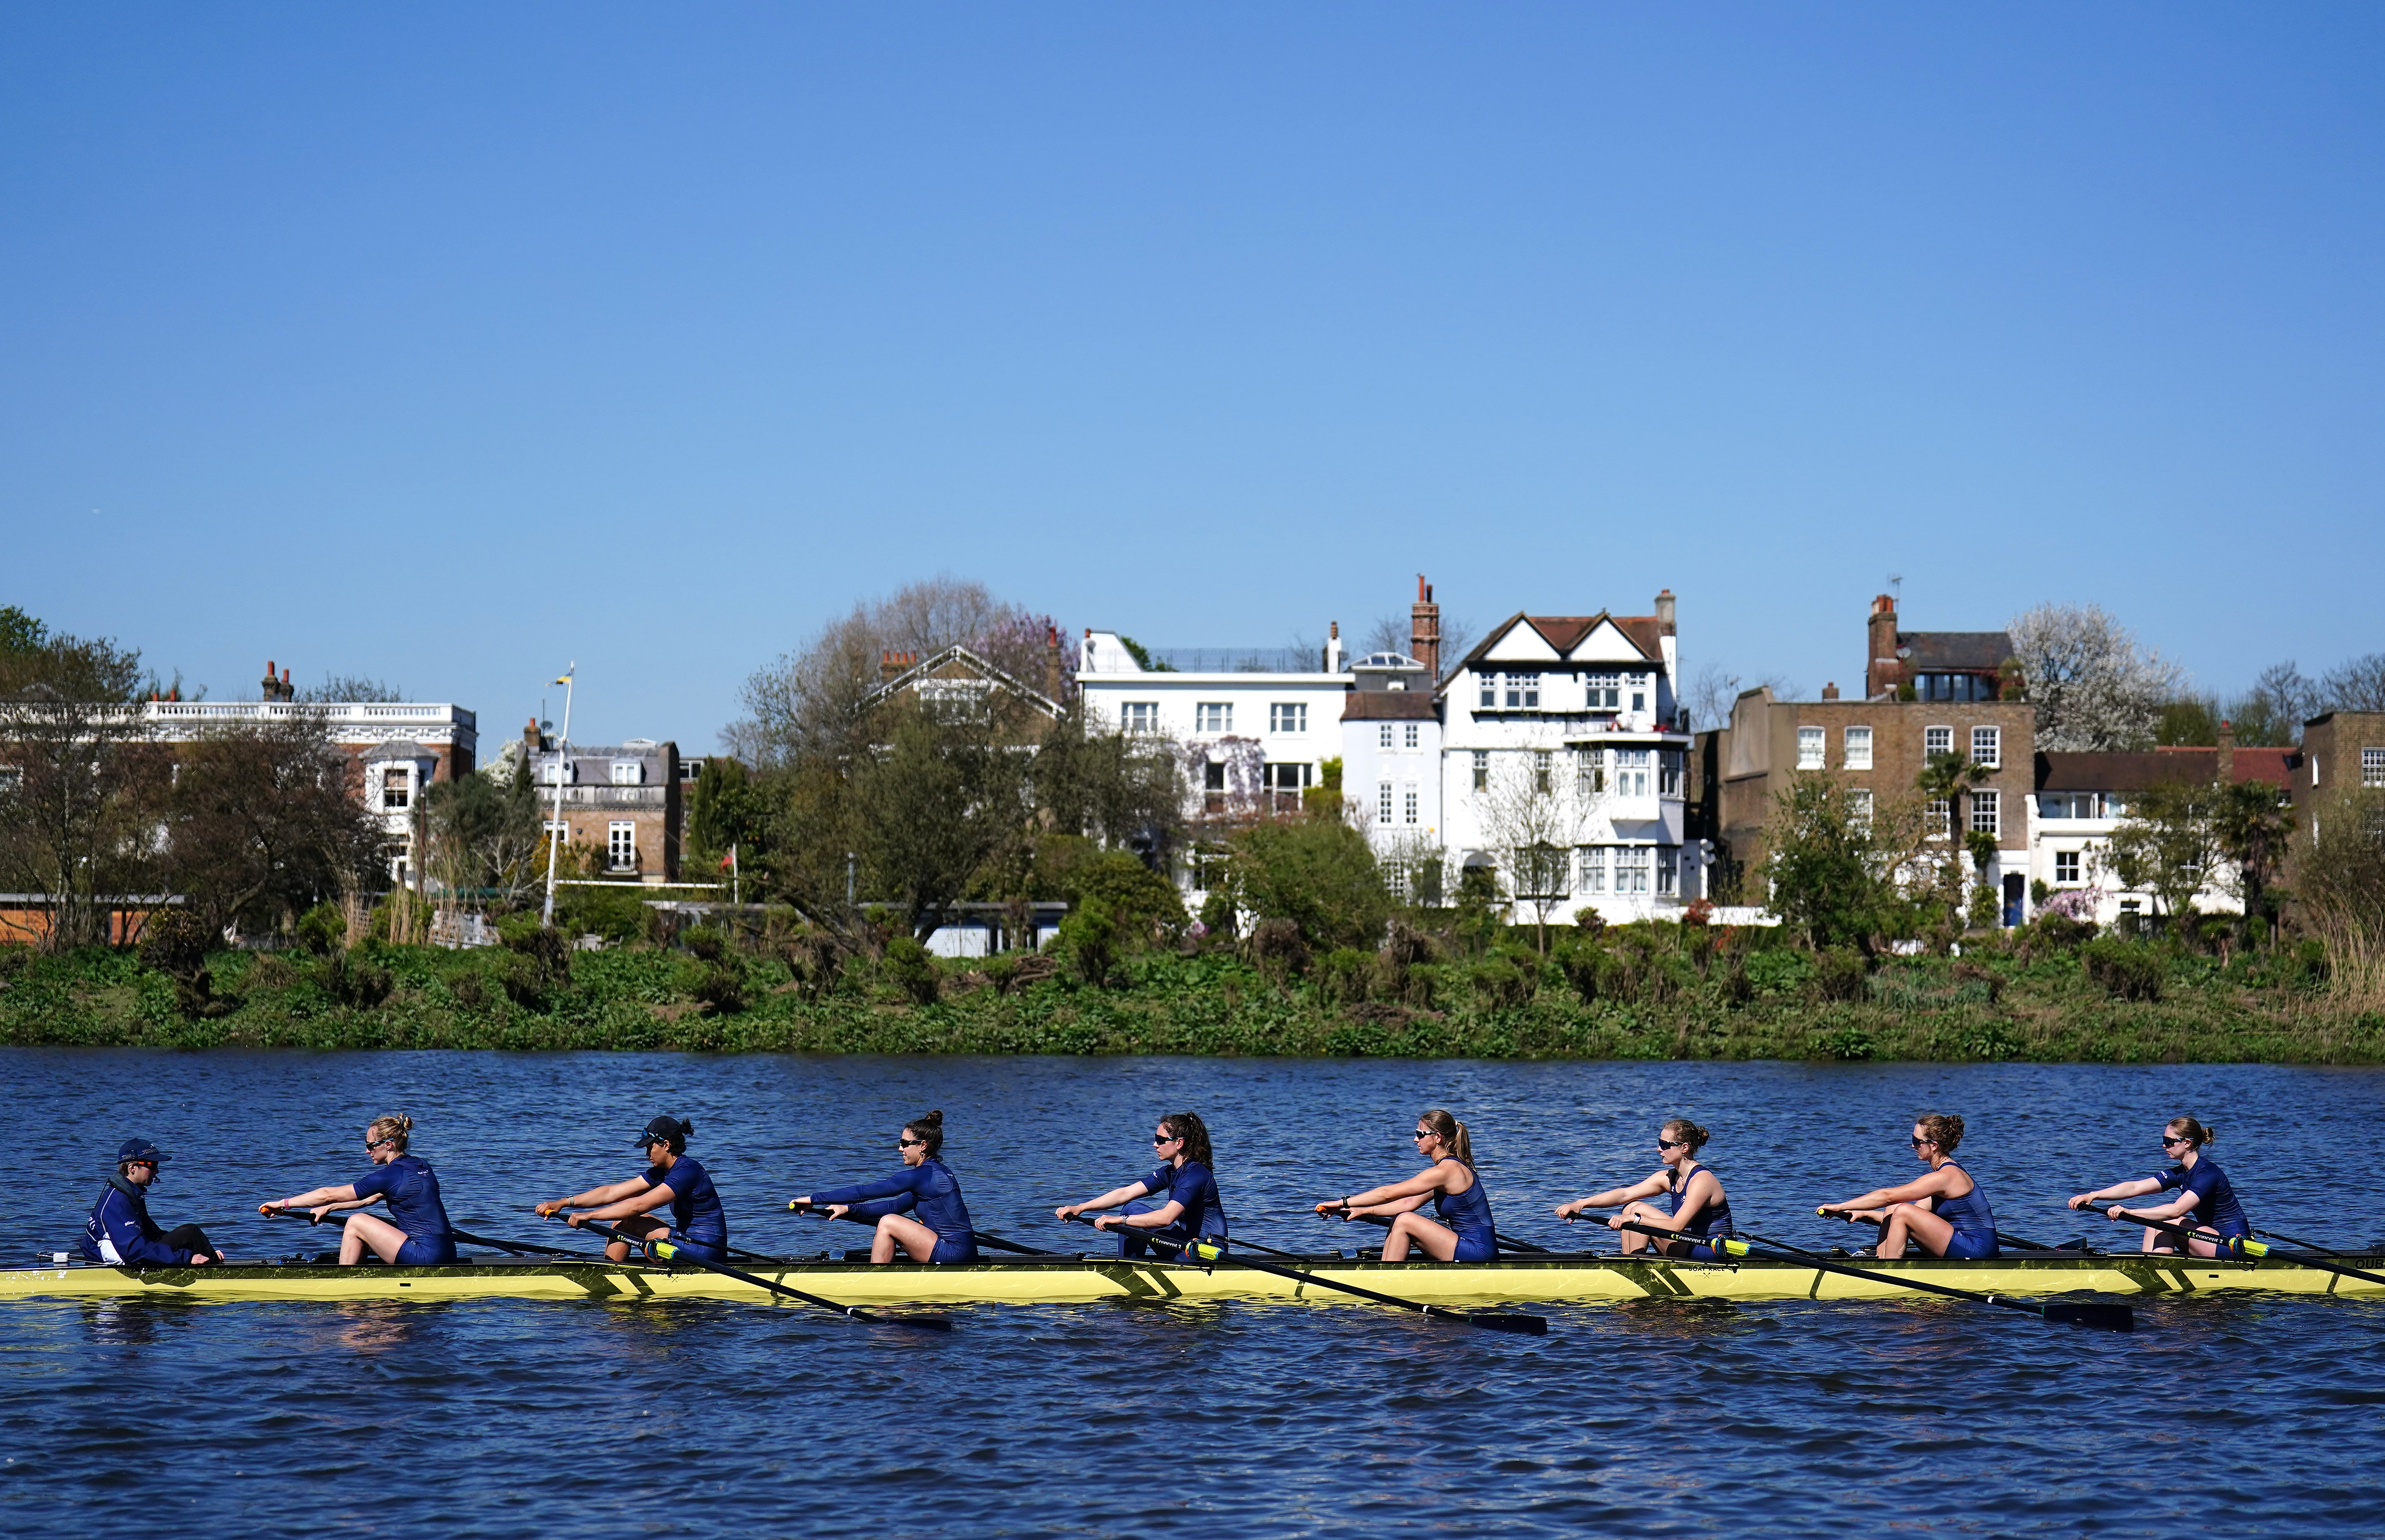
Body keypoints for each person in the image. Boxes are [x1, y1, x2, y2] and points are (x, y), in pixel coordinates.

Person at [261, 1114, 458, 1266]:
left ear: (388, 1145)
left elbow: (327, 1195)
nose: (367, 1151)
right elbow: (370, 1199)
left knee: (357, 1222)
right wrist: (330, 1209)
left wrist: (283, 1204)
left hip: (426, 1256)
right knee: (365, 1222)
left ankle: (344, 1283)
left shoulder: (389, 1175)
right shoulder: (420, 1166)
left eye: (371, 1146)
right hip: (448, 1251)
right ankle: (358, 1273)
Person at [536, 1115, 729, 1264]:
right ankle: (614, 1270)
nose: (647, 1155)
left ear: (666, 1145)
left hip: (705, 1252)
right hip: (687, 1244)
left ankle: (613, 1277)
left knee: (626, 1221)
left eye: (650, 1148)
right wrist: (564, 1202)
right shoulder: (662, 1172)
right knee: (622, 1220)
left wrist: (590, 1216)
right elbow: (611, 1193)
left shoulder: (688, 1171)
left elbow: (638, 1206)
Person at [792, 1110, 977, 1265]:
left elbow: (864, 1192)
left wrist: (814, 1198)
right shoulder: (936, 1174)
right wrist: (847, 1209)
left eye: (905, 1144)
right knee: (891, 1217)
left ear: (923, 1146)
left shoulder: (922, 1176)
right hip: (962, 1250)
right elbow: (894, 1206)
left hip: (954, 1253)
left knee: (889, 1222)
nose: (900, 1149)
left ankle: (877, 1278)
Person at [1315, 1108, 1497, 1262]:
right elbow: (1407, 1203)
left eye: (1420, 1134)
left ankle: (1386, 1280)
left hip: (1478, 1251)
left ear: (1438, 1138)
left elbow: (1388, 1193)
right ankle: (1383, 1272)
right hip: (1465, 1244)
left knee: (1404, 1220)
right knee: (1400, 1217)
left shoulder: (1447, 1171)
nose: (1415, 1140)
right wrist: (1363, 1210)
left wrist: (1343, 1203)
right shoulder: (1446, 1170)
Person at [1819, 1113, 1999, 1260]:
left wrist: (1841, 1206)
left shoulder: (1946, 1177)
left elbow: (1888, 1196)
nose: (1913, 1145)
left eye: (1917, 1140)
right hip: (1960, 1242)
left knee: (1902, 1208)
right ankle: (1884, 1260)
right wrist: (1862, 1214)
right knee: (1896, 1208)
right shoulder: (1939, 1179)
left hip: (1978, 1250)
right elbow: (1903, 1221)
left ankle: (1889, 1273)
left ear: (1934, 1146)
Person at [2067, 1116, 2248, 1257]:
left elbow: (2176, 1211)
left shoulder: (2208, 1173)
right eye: (2164, 1139)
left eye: (2169, 1141)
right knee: (2154, 1224)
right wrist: (2093, 1195)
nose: (2164, 1145)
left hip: (2234, 1244)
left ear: (2187, 1143)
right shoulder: (2178, 1173)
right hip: (2210, 1240)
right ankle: (2150, 1265)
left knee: (2167, 1221)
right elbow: (2134, 1188)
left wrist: (2129, 1213)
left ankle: (2156, 1271)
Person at [1055, 1112, 1229, 1259]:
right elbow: (1125, 1193)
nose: (1155, 1144)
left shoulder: (1196, 1174)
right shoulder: (1168, 1173)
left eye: (1160, 1140)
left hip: (1206, 1253)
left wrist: (1120, 1220)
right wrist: (1080, 1207)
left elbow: (1165, 1219)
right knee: (1131, 1206)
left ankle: (1129, 1269)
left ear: (1179, 1143)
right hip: (1187, 1246)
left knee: (1132, 1210)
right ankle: (1130, 1265)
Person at [1555, 1118, 1734, 1256]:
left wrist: (1635, 1220)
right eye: (1659, 1142)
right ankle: (1632, 1263)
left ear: (1684, 1148)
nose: (1658, 1149)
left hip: (1710, 1250)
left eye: (1664, 1145)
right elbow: (1624, 1194)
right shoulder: (1669, 1177)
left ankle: (1634, 1267)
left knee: (1635, 1214)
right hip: (1689, 1242)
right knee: (1632, 1206)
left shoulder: (1702, 1180)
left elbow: (1676, 1226)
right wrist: (1581, 1204)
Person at [83, 1138, 223, 1268]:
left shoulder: (132, 1195)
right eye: (151, 1165)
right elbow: (134, 1249)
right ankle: (218, 1272)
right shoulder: (117, 1202)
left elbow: (155, 1237)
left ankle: (213, 1263)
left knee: (188, 1235)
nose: (157, 1170)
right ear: (132, 1168)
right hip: (112, 1263)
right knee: (190, 1233)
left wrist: (199, 1250)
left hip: (133, 1252)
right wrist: (186, 1257)